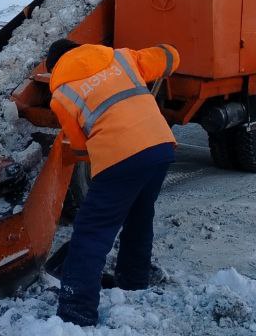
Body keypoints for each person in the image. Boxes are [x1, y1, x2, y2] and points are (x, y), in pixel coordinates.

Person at [45, 38, 180, 327]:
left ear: (55, 66)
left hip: (121, 158)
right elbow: (169, 57)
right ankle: (133, 284)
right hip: (160, 147)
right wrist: (169, 55)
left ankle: (76, 311)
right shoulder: (121, 58)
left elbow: (80, 144)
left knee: (91, 232)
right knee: (140, 217)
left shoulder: (62, 93)